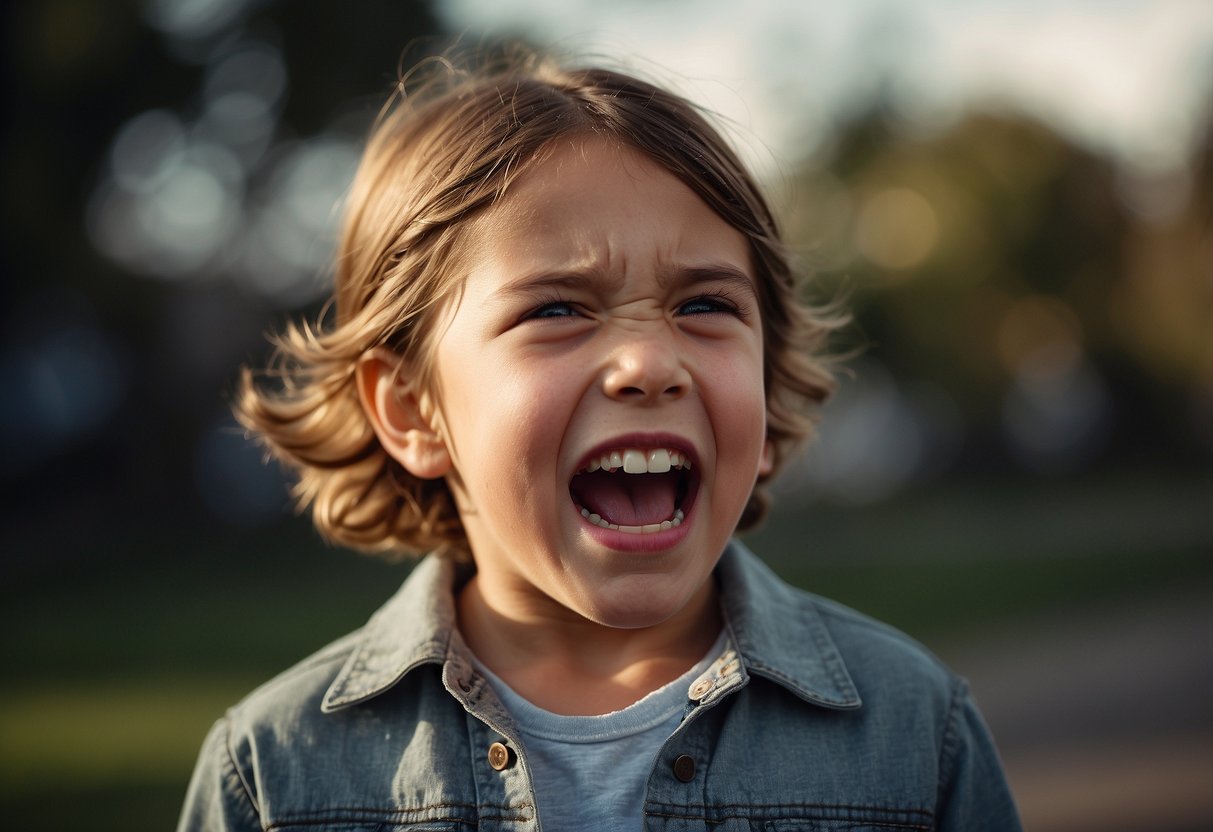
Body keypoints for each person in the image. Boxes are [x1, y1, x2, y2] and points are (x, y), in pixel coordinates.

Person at [178, 48, 1022, 831]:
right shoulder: (274, 777)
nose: (649, 364)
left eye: (703, 306)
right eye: (556, 310)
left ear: (764, 388)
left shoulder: (914, 733)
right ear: (410, 411)